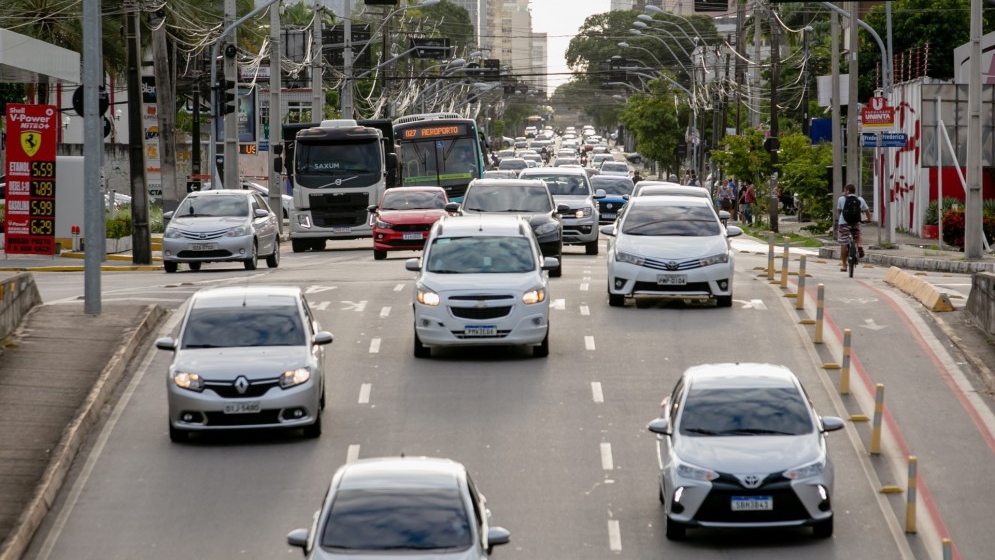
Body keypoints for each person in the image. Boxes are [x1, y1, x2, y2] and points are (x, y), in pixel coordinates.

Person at [837, 183, 872, 272]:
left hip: (844, 223)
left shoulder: (841, 199)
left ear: (847, 191)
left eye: (844, 190)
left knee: (843, 243)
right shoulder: (860, 199)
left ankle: (844, 266)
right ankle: (859, 245)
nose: (843, 192)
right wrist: (868, 219)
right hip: (855, 222)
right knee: (857, 234)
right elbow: (867, 211)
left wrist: (841, 218)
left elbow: (839, 211)